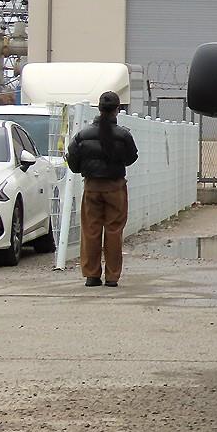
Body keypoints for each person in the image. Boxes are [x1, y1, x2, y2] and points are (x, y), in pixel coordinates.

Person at [66, 91, 138, 287]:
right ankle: (112, 277)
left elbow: (73, 161)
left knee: (91, 229)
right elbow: (131, 158)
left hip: (91, 186)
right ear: (117, 110)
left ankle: (91, 275)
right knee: (114, 231)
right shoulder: (124, 135)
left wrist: (85, 169)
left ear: (98, 108)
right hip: (115, 187)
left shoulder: (82, 135)